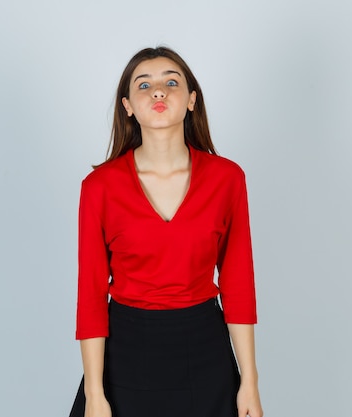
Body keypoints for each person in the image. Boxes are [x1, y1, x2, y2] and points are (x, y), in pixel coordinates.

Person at [69, 46, 263, 417]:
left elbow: (239, 286)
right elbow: (91, 296)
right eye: (144, 85)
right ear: (127, 105)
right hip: (124, 354)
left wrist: (250, 382)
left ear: (191, 99)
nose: (158, 91)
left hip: (205, 352)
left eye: (171, 82)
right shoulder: (99, 186)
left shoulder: (228, 179)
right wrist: (95, 394)